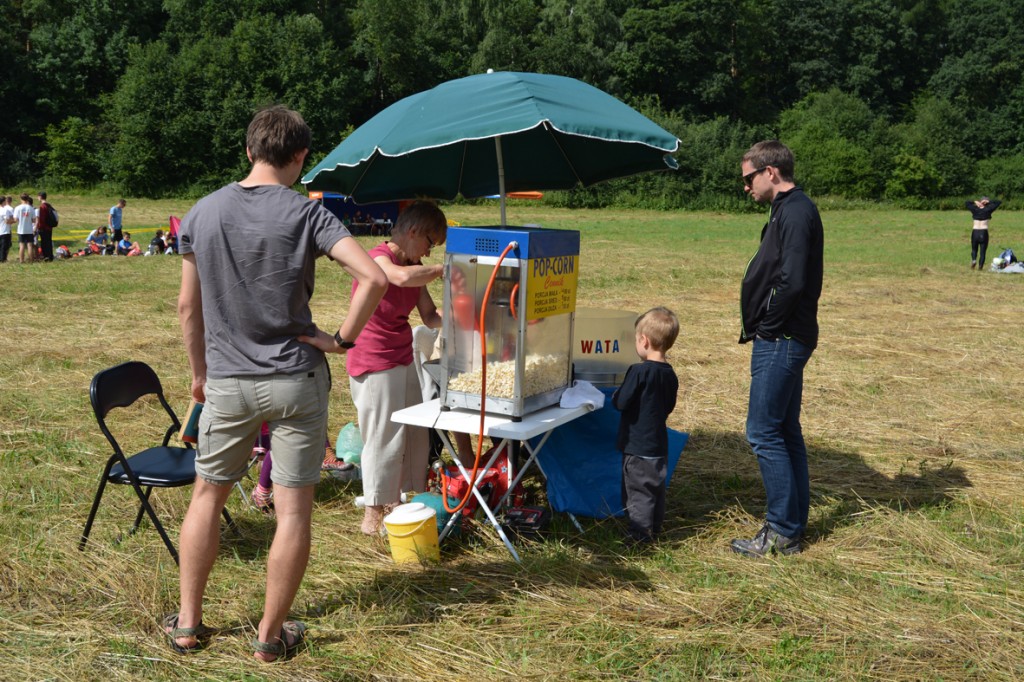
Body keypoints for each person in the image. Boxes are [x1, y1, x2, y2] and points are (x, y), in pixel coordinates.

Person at [168, 105, 386, 662]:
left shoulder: (202, 211)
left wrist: (199, 373)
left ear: (248, 151)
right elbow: (374, 276)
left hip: (228, 380)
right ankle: (269, 635)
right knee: (293, 511)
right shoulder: (308, 214)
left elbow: (187, 307)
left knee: (207, 498)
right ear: (300, 158)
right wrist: (340, 338)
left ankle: (188, 624)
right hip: (295, 377)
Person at [731, 140, 823, 559]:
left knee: (763, 431)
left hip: (782, 339)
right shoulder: (788, 210)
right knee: (784, 431)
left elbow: (793, 281)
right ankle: (792, 526)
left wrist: (767, 327)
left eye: (749, 178)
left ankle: (783, 530)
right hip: (784, 336)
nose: (746, 187)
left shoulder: (797, 211)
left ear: (771, 172)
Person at [344, 200, 448, 535]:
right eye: (431, 243)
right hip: (373, 359)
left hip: (402, 356)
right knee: (383, 437)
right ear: (413, 231)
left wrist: (469, 314)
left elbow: (431, 316)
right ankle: (373, 514)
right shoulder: (378, 257)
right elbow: (400, 279)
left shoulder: (414, 263)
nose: (430, 254)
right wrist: (445, 269)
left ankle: (400, 500)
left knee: (415, 433)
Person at [611, 307, 679, 545]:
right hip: (659, 443)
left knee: (637, 490)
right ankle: (655, 527)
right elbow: (669, 406)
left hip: (637, 444)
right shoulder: (670, 374)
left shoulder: (638, 372)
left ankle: (639, 536)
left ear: (644, 341)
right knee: (655, 488)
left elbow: (621, 402)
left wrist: (614, 396)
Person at [965, 196, 1001, 270]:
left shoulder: (975, 209)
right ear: (986, 203)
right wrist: (989, 202)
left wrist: (975, 202)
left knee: (974, 249)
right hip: (983, 232)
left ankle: (974, 260)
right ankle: (980, 267)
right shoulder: (988, 209)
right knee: (983, 251)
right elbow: (998, 202)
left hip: (975, 232)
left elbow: (967, 203)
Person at [13, 194, 35, 263]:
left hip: (21, 229)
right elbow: (34, 220)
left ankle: (21, 260)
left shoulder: (17, 208)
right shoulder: (31, 208)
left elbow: (15, 219)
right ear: (28, 199)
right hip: (29, 229)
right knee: (30, 245)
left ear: (21, 199)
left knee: (21, 245)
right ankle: (31, 260)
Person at [35, 192, 55, 261]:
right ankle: (50, 256)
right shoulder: (49, 205)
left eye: (38, 196)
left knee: (44, 243)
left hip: (44, 228)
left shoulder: (42, 206)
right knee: (49, 242)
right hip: (49, 227)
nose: (37, 198)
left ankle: (46, 256)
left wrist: (39, 227)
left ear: (40, 197)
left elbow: (42, 218)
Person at [0, 196, 14, 263]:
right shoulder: (5, 210)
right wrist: (14, 221)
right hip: (4, 231)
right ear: (4, 202)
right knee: (4, 246)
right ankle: (3, 259)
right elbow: (7, 221)